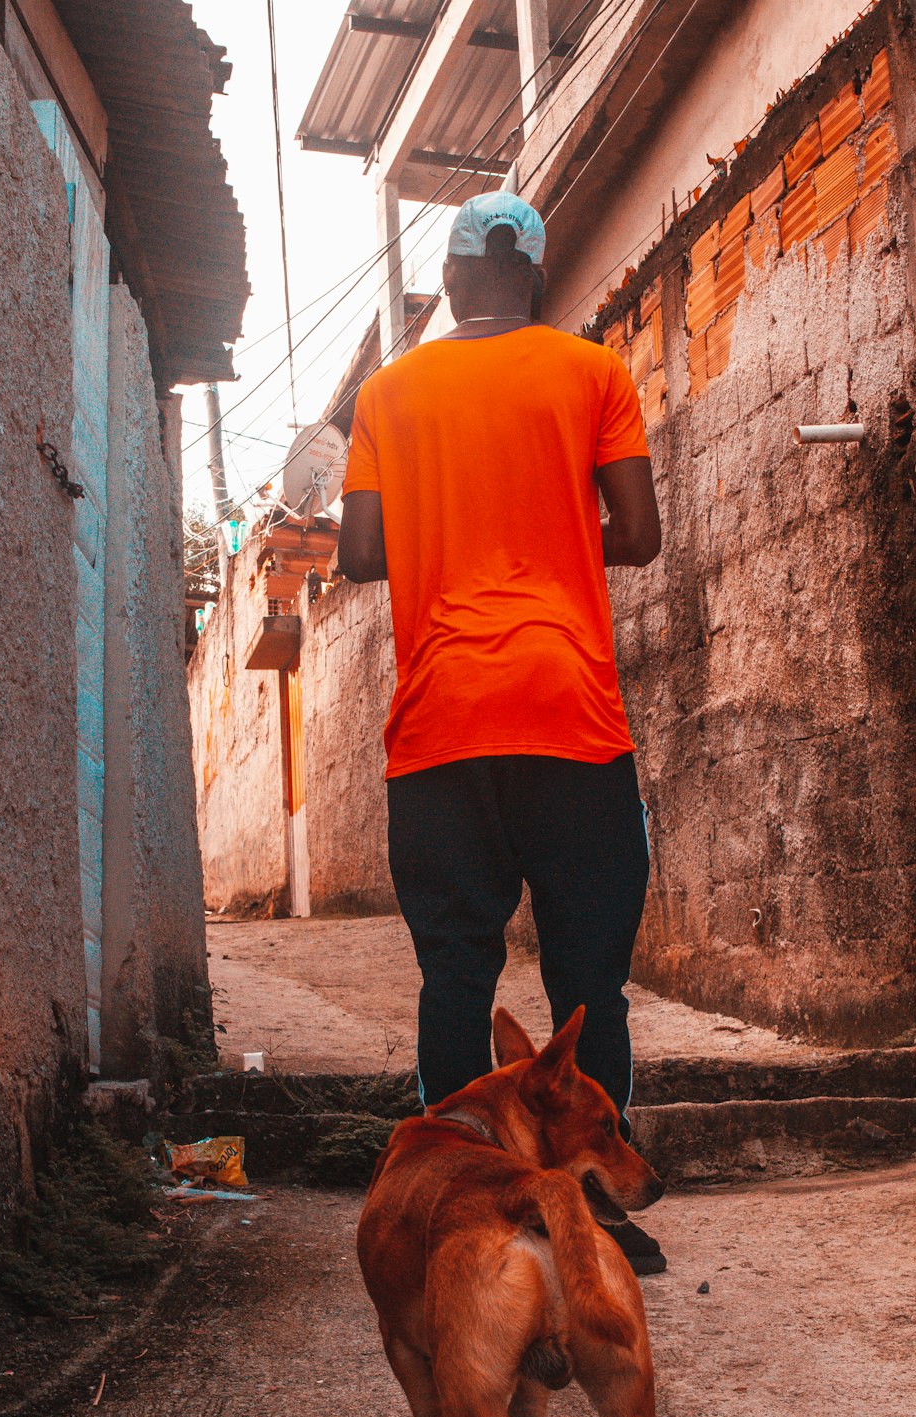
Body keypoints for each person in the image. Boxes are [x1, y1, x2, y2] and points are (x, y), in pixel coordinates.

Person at [339, 192, 664, 1272]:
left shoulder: (389, 393)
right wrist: (551, 540)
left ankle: (451, 1208)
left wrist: (452, 534)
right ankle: (601, 1217)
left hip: (439, 725)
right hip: (567, 712)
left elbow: (360, 554)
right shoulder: (591, 372)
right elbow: (640, 533)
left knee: (455, 979)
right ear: (528, 266)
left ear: (460, 268)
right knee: (587, 984)